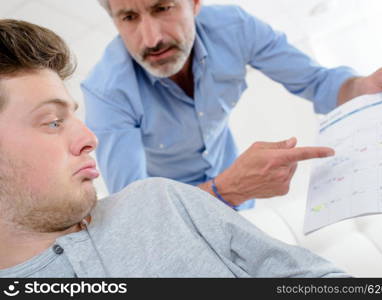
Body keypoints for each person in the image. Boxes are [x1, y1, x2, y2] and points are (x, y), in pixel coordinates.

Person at [0, 19, 347, 278]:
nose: (90, 139)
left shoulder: (157, 202)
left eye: (163, 7)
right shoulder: (111, 88)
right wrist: (226, 189)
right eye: (52, 122)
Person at [82, 0, 382, 210]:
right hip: (174, 207)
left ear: (195, 3)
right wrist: (230, 189)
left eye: (162, 7)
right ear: (115, 21)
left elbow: (318, 82)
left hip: (235, 189)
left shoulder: (235, 27)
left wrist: (364, 85)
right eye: (128, 17)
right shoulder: (106, 92)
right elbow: (136, 210)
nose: (151, 38)